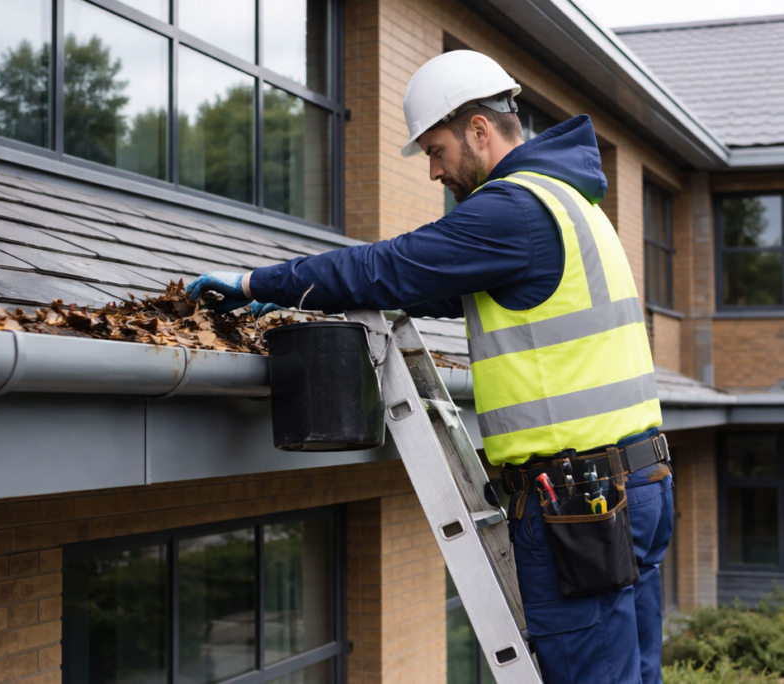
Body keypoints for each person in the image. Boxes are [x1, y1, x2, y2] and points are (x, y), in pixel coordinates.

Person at [187, 50, 674, 684]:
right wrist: (309, 292)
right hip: (638, 484)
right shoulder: (570, 204)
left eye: (436, 150)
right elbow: (425, 284)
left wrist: (259, 281)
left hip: (577, 503)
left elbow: (389, 266)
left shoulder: (512, 210)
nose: (434, 171)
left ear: (479, 129)